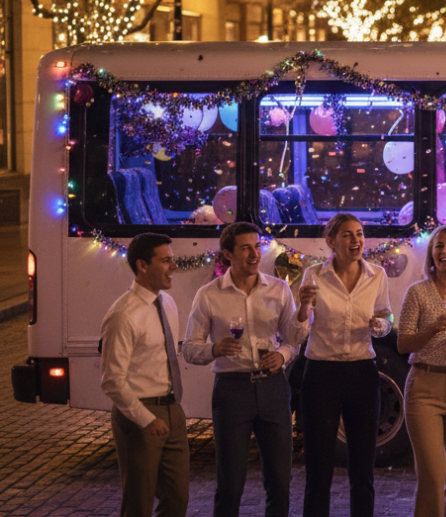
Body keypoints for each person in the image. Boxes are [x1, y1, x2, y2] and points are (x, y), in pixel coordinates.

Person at [182, 222, 307, 517]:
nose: (255, 253)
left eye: (257, 246)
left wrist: (282, 356)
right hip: (232, 391)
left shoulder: (279, 289)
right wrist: (215, 349)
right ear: (228, 254)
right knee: (230, 483)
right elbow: (189, 348)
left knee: (279, 481)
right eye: (246, 248)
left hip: (273, 389)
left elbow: (294, 339)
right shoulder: (209, 294)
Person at [295, 213, 393, 517]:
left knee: (363, 467)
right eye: (348, 234)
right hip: (321, 373)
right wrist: (303, 305)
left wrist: (380, 325)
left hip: (362, 372)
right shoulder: (313, 274)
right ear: (331, 241)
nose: (356, 240)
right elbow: (300, 329)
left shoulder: (377, 275)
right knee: (319, 466)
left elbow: (387, 316)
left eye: (360, 233)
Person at [100, 232, 189, 517]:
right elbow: (112, 380)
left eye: (172, 259)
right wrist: (146, 419)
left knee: (177, 500)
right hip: (140, 415)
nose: (173, 266)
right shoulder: (123, 315)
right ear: (142, 265)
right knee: (138, 504)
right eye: (165, 261)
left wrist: (173, 412)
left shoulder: (169, 303)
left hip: (173, 410)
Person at [396, 225, 446, 517]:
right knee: (432, 475)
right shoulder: (417, 292)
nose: (445, 251)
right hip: (424, 388)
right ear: (431, 253)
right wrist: (432, 328)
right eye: (439, 246)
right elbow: (403, 344)